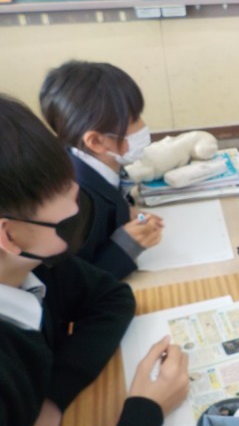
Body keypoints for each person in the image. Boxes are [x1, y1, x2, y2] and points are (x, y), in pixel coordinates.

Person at [0, 95, 189, 426]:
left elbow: (112, 298)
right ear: (9, 235)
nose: (77, 221)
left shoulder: (34, 262)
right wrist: (145, 411)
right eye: (69, 223)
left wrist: (52, 403)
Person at [39, 60, 164, 279]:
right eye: (134, 120)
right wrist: (126, 246)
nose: (143, 125)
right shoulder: (75, 203)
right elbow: (74, 283)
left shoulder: (88, 159)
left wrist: (124, 211)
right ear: (96, 141)